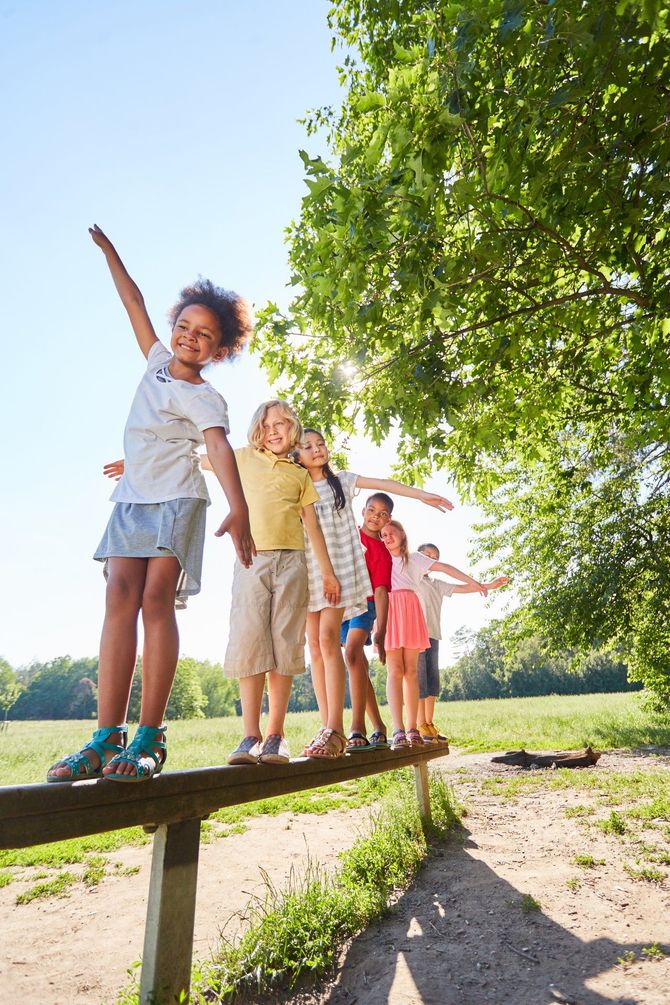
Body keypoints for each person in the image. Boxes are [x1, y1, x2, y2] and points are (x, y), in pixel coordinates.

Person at [47, 225, 254, 783]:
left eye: (205, 334)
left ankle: (149, 736)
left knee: (155, 599)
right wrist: (111, 253)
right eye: (185, 326)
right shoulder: (156, 360)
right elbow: (132, 299)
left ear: (220, 349)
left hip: (179, 500)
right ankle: (103, 736)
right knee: (119, 596)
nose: (190, 336)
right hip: (133, 499)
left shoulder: (207, 396)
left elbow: (216, 447)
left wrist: (239, 507)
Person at [294, 429, 454, 758]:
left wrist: (420, 494)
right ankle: (334, 725)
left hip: (347, 586)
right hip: (311, 572)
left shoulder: (342, 483)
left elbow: (385, 483)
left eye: (321, 443)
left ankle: (343, 728)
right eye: (307, 446)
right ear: (297, 454)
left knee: (340, 648)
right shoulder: (298, 484)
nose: (317, 449)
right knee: (320, 649)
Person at [223, 404, 340, 766]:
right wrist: (139, 465)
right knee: (249, 641)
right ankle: (250, 736)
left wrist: (327, 572)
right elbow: (198, 459)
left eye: (282, 424)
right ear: (258, 429)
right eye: (267, 424)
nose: (274, 430)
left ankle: (275, 735)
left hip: (292, 564)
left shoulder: (299, 475)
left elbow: (313, 527)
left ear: (293, 429)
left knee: (285, 644)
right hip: (252, 559)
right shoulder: (242, 458)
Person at [380, 520, 486, 750]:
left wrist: (475, 583)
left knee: (411, 672)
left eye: (390, 532)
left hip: (410, 611)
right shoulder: (380, 556)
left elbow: (445, 568)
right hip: (389, 611)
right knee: (395, 671)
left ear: (402, 533)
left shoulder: (415, 559)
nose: (386, 537)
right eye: (383, 534)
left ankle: (413, 728)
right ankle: (398, 729)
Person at [415, 542, 509, 743]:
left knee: (432, 683)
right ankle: (419, 724)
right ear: (418, 557)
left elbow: (462, 588)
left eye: (435, 557)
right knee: (419, 683)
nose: (431, 559)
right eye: (427, 555)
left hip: (434, 635)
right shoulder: (411, 580)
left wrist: (488, 585)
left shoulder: (436, 584)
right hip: (416, 636)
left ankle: (429, 723)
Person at [340, 492, 394, 751]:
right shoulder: (348, 534)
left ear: (389, 520)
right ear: (362, 511)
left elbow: (382, 591)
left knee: (352, 654)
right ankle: (380, 727)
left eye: (383, 514)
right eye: (372, 510)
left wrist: (381, 633)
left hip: (365, 604)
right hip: (340, 604)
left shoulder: (382, 552)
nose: (376, 517)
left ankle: (356, 727)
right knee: (358, 664)